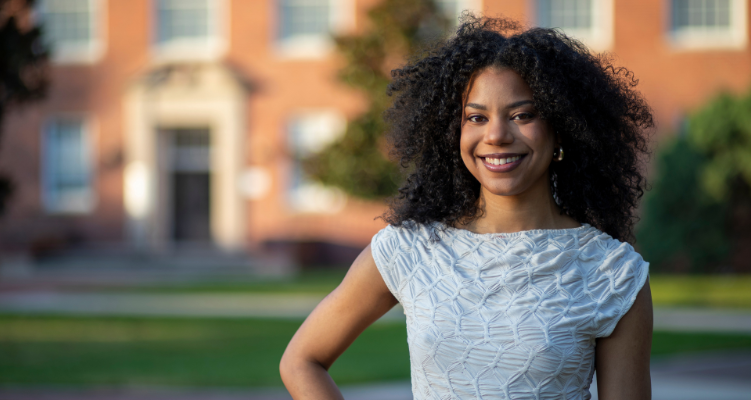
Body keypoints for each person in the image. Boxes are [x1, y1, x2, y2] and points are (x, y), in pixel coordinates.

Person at [280, 15, 654, 400]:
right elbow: (301, 361)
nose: (495, 135)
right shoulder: (410, 250)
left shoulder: (614, 275)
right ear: (453, 132)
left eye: (522, 115)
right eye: (476, 117)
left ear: (561, 128)